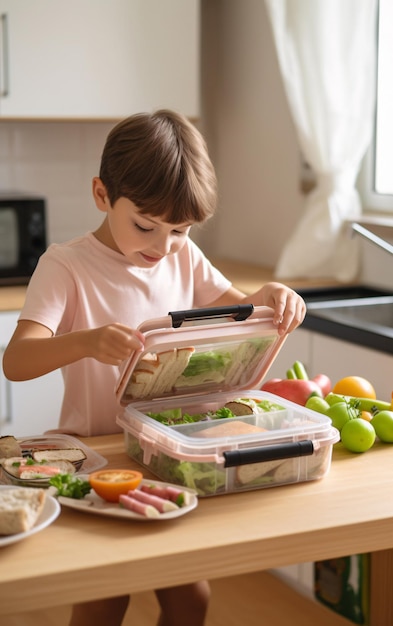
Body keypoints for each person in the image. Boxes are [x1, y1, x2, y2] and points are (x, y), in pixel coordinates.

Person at [3, 109, 306, 626]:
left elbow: (239, 308)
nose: (162, 247)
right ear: (102, 195)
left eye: (180, 231)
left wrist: (272, 298)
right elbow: (17, 360)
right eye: (145, 225)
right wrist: (86, 341)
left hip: (167, 456)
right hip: (99, 461)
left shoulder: (182, 258)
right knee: (104, 600)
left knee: (192, 599)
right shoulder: (66, 266)